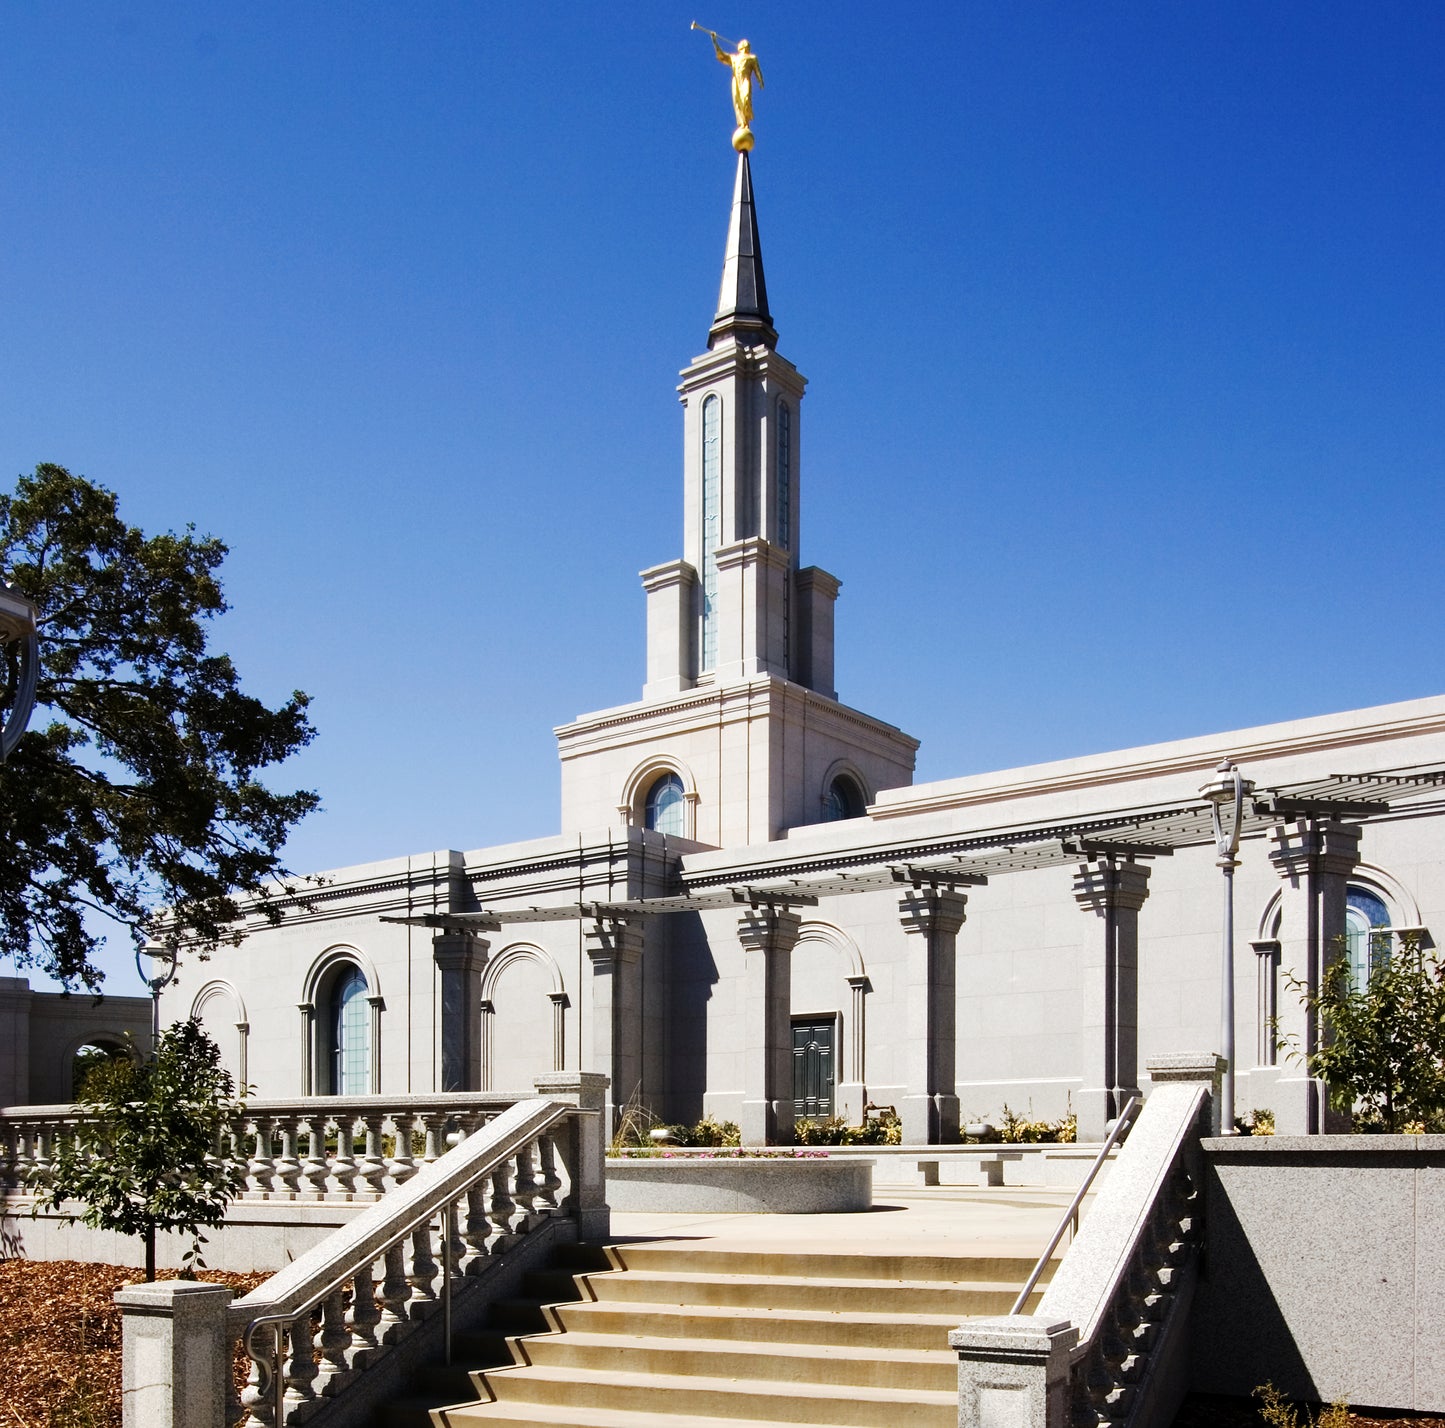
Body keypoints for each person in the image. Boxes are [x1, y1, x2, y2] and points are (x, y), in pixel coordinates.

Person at [710, 34, 764, 130]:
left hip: (745, 79)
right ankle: (742, 123)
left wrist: (760, 81)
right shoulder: (734, 57)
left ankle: (747, 120)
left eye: (747, 46)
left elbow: (757, 70)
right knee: (737, 101)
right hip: (735, 80)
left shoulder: (752, 57)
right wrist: (714, 41)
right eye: (745, 45)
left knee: (746, 98)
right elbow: (721, 55)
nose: (747, 47)